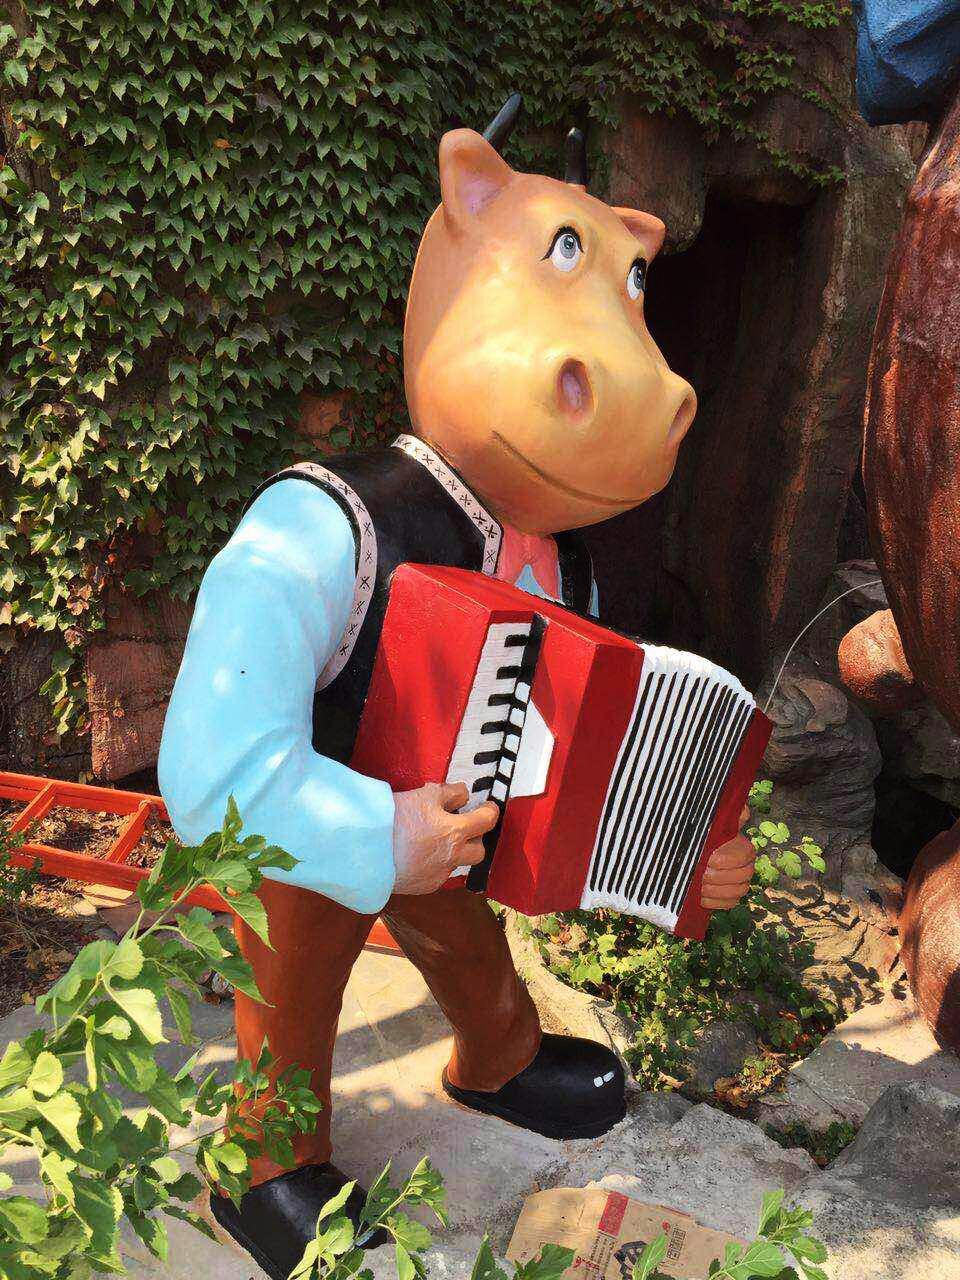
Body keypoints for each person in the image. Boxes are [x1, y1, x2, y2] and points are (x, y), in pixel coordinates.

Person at [159, 109, 757, 1280]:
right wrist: (376, 832)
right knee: (293, 978)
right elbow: (211, 762)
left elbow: (594, 747)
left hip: (456, 830)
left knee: (471, 942)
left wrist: (689, 851)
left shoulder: (564, 563)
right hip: (314, 826)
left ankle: (498, 1056)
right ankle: (265, 1163)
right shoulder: (324, 524)